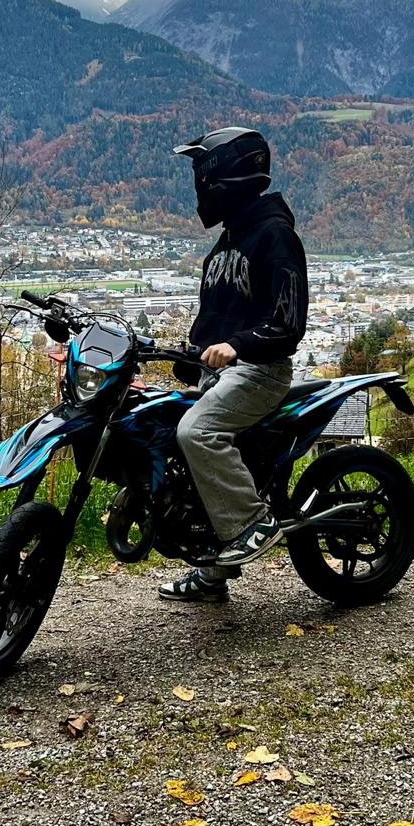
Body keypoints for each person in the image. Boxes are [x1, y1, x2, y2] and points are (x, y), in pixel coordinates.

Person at [160, 126, 308, 603]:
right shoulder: (226, 243)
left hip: (261, 371)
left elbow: (287, 324)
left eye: (202, 177)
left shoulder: (274, 235)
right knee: (167, 434)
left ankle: (252, 522)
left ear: (222, 176)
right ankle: (211, 573)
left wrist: (238, 347)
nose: (200, 188)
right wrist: (187, 357)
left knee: (197, 433)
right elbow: (215, 322)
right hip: (222, 374)